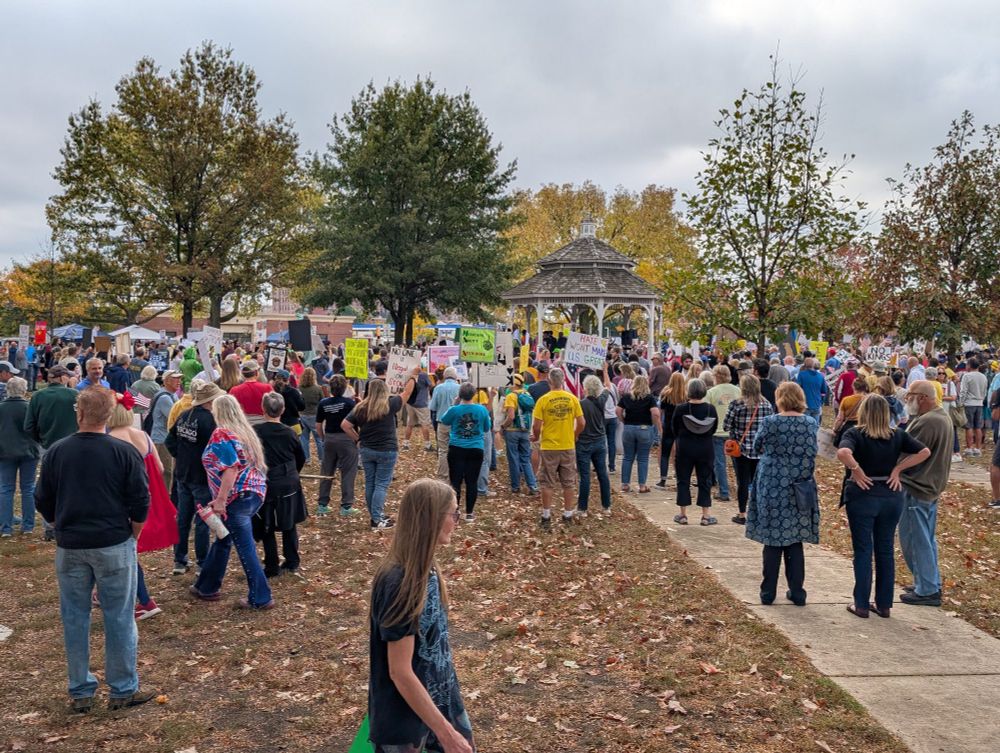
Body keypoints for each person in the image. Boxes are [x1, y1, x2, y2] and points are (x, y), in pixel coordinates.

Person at [35, 387, 155, 713]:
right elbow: (141, 499)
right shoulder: (123, 452)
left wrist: (58, 522)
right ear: (110, 415)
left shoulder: (58, 452)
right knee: (119, 616)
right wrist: (134, 532)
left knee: (75, 617)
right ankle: (122, 688)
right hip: (112, 542)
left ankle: (81, 690)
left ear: (80, 413)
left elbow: (42, 498)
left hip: (74, 544)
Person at [368, 479, 474, 753]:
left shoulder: (429, 572)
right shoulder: (400, 583)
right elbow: (400, 671)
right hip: (407, 723)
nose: (457, 521)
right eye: (454, 513)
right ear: (431, 518)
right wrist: (447, 734)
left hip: (442, 701)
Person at [837, 395, 930, 618]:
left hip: (863, 494)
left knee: (863, 549)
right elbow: (924, 452)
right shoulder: (897, 435)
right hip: (890, 495)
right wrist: (898, 469)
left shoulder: (855, 433)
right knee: (885, 548)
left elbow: (843, 452)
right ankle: (884, 604)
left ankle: (861, 603)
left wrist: (856, 470)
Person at [189, 394, 273, 609]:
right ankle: (206, 586)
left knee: (245, 548)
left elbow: (230, 468)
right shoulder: (245, 432)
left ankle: (261, 597)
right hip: (254, 493)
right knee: (224, 538)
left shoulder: (222, 434)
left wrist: (220, 500)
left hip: (237, 497)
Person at [745, 382, 819, 606]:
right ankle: (797, 591)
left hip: (773, 485)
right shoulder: (810, 423)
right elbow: (814, 451)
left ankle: (768, 592)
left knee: (772, 539)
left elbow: (757, 446)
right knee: (795, 539)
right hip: (800, 486)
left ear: (780, 398)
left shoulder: (771, 422)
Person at [107, 393, 178, 621]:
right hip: (147, 500)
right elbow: (158, 468)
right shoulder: (143, 436)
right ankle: (103, 591)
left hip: (122, 503)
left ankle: (145, 600)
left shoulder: (111, 439)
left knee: (124, 552)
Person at [898, 380, 954, 607]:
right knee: (926, 538)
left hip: (917, 485)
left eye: (910, 395)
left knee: (914, 538)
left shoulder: (929, 422)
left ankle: (927, 589)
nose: (906, 400)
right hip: (929, 486)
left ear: (922, 397)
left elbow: (910, 452)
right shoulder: (941, 417)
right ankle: (928, 581)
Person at [342, 374, 417, 529]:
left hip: (367, 450)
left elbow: (345, 425)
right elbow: (407, 393)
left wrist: (357, 439)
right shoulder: (390, 404)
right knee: (381, 484)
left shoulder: (361, 407)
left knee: (371, 483)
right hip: (387, 450)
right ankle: (376, 519)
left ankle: (375, 515)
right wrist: (413, 376)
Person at [165, 382, 221, 575]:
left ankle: (179, 561)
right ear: (210, 401)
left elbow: (169, 440)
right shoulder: (210, 421)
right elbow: (216, 449)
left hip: (183, 473)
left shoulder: (184, 415)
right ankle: (202, 562)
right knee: (203, 520)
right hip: (201, 476)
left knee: (183, 518)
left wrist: (180, 455)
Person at [254, 392, 307, 577]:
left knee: (269, 525)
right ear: (283, 410)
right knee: (286, 522)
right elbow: (301, 457)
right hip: (282, 482)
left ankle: (275, 564)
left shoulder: (257, 432)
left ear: (263, 409)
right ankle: (286, 562)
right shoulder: (289, 432)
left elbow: (300, 458)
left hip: (269, 482)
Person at [531, 368, 585, 528]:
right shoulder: (572, 399)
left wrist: (536, 436)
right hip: (567, 445)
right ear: (562, 381)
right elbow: (582, 423)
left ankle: (546, 515)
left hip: (549, 446)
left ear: (549, 381)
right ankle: (567, 514)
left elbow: (536, 425)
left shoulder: (543, 400)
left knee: (547, 482)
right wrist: (575, 435)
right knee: (568, 482)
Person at [724, 375, 775, 525]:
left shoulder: (736, 404)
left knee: (743, 482)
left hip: (741, 448)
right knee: (758, 482)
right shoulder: (767, 405)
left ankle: (742, 513)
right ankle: (757, 512)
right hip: (760, 449)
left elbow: (726, 425)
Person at [439, 383, 492, 523]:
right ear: (474, 394)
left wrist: (454, 403)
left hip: (457, 447)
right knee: (472, 481)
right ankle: (470, 513)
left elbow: (444, 420)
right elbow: (487, 428)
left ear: (460, 395)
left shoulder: (454, 410)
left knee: (455, 481)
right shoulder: (482, 409)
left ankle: (455, 511)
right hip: (476, 448)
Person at [671, 379, 718, 525]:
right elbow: (714, 428)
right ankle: (705, 515)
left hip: (685, 447)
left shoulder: (680, 409)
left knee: (683, 479)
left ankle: (683, 514)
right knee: (705, 480)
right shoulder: (711, 409)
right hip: (705, 447)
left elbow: (673, 428)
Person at [0, 378, 40, 536]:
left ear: (7, 390)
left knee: (6, 489)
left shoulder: (1, 408)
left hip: (5, 452)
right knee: (28, 488)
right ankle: (28, 526)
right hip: (28, 452)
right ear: (24, 390)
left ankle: (6, 527)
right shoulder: (29, 407)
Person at [316, 375, 359, 516]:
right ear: (345, 387)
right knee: (348, 472)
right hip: (346, 439)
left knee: (326, 471)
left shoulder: (323, 403)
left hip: (329, 438)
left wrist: (323, 438)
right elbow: (357, 421)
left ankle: (322, 504)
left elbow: (318, 425)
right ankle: (346, 506)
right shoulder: (349, 403)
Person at [616, 375, 660, 493]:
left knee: (628, 457)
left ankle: (625, 484)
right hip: (644, 428)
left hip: (629, 428)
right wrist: (653, 424)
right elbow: (655, 413)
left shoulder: (626, 397)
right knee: (643, 458)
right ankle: (642, 485)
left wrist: (623, 420)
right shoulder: (649, 398)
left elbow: (618, 410)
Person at [576, 374, 612, 515]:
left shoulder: (581, 404)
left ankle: (582, 508)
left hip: (584, 442)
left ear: (585, 388)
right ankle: (606, 506)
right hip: (600, 441)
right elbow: (608, 387)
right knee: (602, 474)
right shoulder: (601, 401)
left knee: (585, 476)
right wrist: (604, 370)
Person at [498, 374, 539, 495]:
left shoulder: (511, 396)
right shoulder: (527, 394)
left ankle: (515, 486)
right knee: (525, 459)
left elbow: (511, 416)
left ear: (513, 384)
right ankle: (532, 485)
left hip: (512, 431)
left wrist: (502, 426)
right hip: (525, 431)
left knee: (514, 459)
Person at [706, 364, 740, 501]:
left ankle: (724, 491)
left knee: (719, 463)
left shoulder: (712, 392)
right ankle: (742, 488)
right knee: (737, 463)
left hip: (717, 432)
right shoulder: (738, 391)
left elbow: (707, 411)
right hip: (734, 432)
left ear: (716, 376)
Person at [148, 370, 181, 493]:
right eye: (175, 378)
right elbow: (175, 419)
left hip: (165, 439)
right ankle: (164, 501)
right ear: (166, 381)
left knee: (169, 472)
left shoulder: (171, 395)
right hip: (162, 440)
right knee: (166, 472)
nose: (179, 381)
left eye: (179, 378)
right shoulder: (165, 398)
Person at [655, 372, 686, 488]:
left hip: (668, 426)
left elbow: (661, 411)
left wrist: (659, 426)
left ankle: (663, 480)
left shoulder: (666, 395)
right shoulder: (685, 396)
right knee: (680, 455)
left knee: (665, 454)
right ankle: (680, 478)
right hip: (682, 428)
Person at [429, 367, 461, 478]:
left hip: (442, 422)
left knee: (443, 450)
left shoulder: (438, 388)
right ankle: (456, 473)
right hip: (457, 423)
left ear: (444, 376)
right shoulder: (460, 388)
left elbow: (432, 406)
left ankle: (443, 475)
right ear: (455, 376)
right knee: (457, 448)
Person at [960, 357, 989, 456]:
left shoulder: (967, 376)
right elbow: (985, 391)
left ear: (969, 365)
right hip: (979, 403)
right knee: (978, 427)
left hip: (969, 403)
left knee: (969, 426)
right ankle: (978, 448)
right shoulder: (983, 376)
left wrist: (961, 402)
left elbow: (963, 391)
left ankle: (969, 448)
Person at [403, 366, 434, 452]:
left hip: (410, 402)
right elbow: (431, 385)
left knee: (410, 424)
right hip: (421, 403)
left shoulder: (407, 374)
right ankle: (427, 445)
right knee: (424, 424)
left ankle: (406, 443)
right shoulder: (423, 375)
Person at [298, 366, 325, 463]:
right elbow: (322, 401)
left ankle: (307, 459)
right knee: (318, 438)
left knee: (304, 438)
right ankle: (321, 459)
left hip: (302, 414)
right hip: (314, 415)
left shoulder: (299, 388)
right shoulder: (318, 389)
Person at [833, 376, 869, 443]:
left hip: (848, 427)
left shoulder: (846, 400)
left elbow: (840, 419)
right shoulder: (869, 400)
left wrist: (835, 429)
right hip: (863, 428)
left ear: (853, 387)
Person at [272, 369, 305, 435]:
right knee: (296, 444)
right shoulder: (294, 391)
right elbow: (302, 407)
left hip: (277, 424)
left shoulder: (272, 391)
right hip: (293, 423)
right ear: (288, 379)